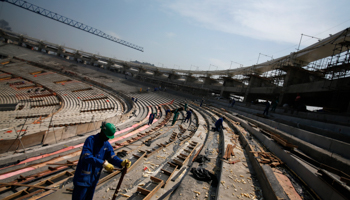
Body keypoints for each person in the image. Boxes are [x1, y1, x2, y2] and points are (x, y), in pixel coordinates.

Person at [73, 123, 131, 200]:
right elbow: (86, 156)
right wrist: (103, 163)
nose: (108, 139)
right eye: (107, 136)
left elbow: (112, 157)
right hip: (82, 179)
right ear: (102, 132)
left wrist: (121, 162)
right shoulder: (91, 140)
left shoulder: (106, 144)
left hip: (93, 180)